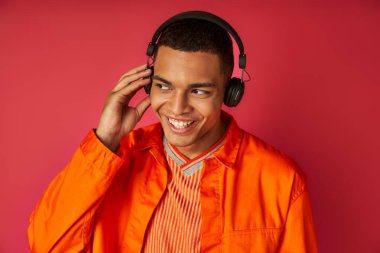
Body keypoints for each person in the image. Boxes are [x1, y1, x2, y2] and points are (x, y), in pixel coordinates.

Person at [27, 11, 318, 253]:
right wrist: (104, 141)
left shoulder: (282, 180)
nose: (177, 108)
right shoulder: (114, 159)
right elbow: (45, 245)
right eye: (164, 86)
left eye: (199, 90)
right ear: (147, 84)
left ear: (230, 93)